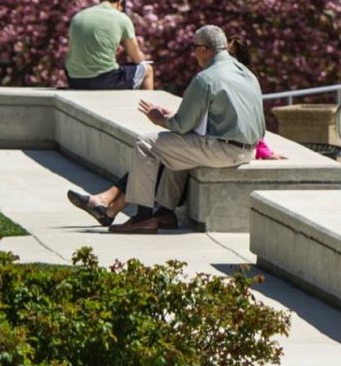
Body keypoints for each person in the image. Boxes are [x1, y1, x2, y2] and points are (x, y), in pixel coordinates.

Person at [66, 25, 263, 233]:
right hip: (247, 150)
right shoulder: (247, 74)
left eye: (195, 48)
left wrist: (159, 119)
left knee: (147, 144)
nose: (194, 53)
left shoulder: (206, 78)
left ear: (204, 50)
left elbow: (181, 125)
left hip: (222, 150)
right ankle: (164, 213)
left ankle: (142, 218)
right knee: (175, 148)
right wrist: (174, 119)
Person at [63, 0, 155, 91]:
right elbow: (136, 58)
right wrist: (143, 58)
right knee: (147, 70)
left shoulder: (78, 17)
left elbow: (71, 52)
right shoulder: (122, 18)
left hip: (75, 80)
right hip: (104, 80)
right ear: (120, 3)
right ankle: (149, 107)